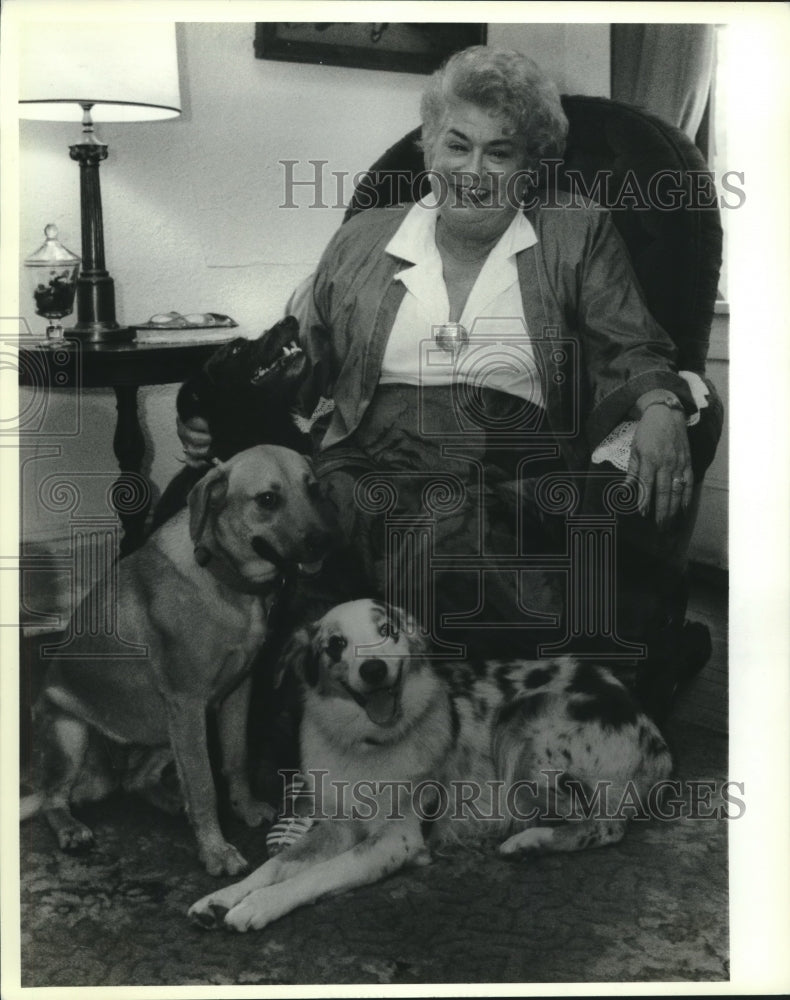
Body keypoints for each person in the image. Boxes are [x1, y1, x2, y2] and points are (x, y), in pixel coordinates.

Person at [177, 47, 720, 698]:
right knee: (260, 525)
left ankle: (436, 725)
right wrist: (204, 395)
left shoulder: (575, 233)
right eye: (457, 145)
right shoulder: (364, 239)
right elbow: (298, 345)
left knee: (448, 537)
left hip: (511, 456)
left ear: (531, 168)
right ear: (431, 147)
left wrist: (659, 404)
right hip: (369, 453)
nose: (474, 171)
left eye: (501, 152)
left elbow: (628, 342)